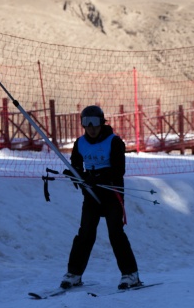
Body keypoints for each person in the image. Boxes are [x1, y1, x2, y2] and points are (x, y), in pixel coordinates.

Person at [60, 105, 141, 290]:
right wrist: (76, 175)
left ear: (102, 122)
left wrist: (97, 177)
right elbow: (76, 165)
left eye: (95, 122)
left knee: (115, 232)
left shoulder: (114, 142)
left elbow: (119, 170)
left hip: (112, 192)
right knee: (85, 233)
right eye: (86, 123)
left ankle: (131, 274)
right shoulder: (80, 143)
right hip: (91, 194)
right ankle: (74, 273)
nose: (91, 127)